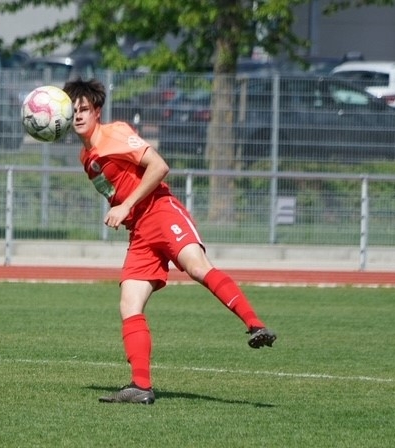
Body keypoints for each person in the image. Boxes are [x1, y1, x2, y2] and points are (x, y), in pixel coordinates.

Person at [62, 78, 277, 405]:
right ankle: (141, 386)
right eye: (73, 110)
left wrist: (125, 205)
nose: (78, 115)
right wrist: (125, 210)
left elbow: (159, 166)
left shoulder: (114, 134)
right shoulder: (85, 156)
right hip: (139, 232)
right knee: (129, 304)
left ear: (97, 112)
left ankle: (255, 325)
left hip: (161, 212)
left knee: (197, 267)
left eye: (84, 109)